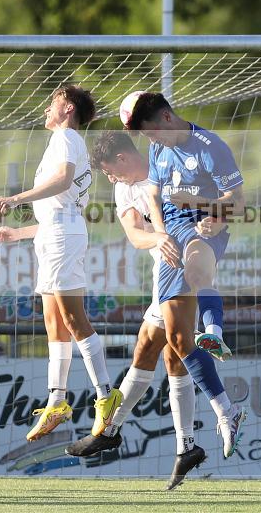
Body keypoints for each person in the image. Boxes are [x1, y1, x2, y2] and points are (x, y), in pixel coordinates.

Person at [65, 131, 205, 490]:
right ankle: (184, 446)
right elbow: (134, 235)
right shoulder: (124, 190)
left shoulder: (168, 171)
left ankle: (111, 431)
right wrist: (158, 237)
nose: (111, 179)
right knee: (165, 353)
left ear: (123, 158)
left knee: (159, 348)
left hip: (188, 270)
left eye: (111, 171)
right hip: (165, 272)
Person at [0, 84, 122, 442]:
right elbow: (58, 210)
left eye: (53, 102)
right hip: (55, 235)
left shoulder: (66, 137)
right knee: (54, 323)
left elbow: (63, 182)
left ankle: (106, 394)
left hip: (63, 237)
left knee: (72, 318)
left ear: (68, 109)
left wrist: (15, 199)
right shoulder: (64, 142)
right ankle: (57, 401)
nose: (46, 108)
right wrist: (18, 234)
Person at [121, 91, 247, 458]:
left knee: (197, 266)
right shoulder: (157, 149)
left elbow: (238, 202)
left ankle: (214, 334)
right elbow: (154, 198)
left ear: (166, 117)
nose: (151, 140)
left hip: (206, 228)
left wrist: (212, 213)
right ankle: (228, 412)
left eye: (151, 132)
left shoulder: (210, 146)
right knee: (177, 337)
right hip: (171, 237)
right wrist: (161, 235)